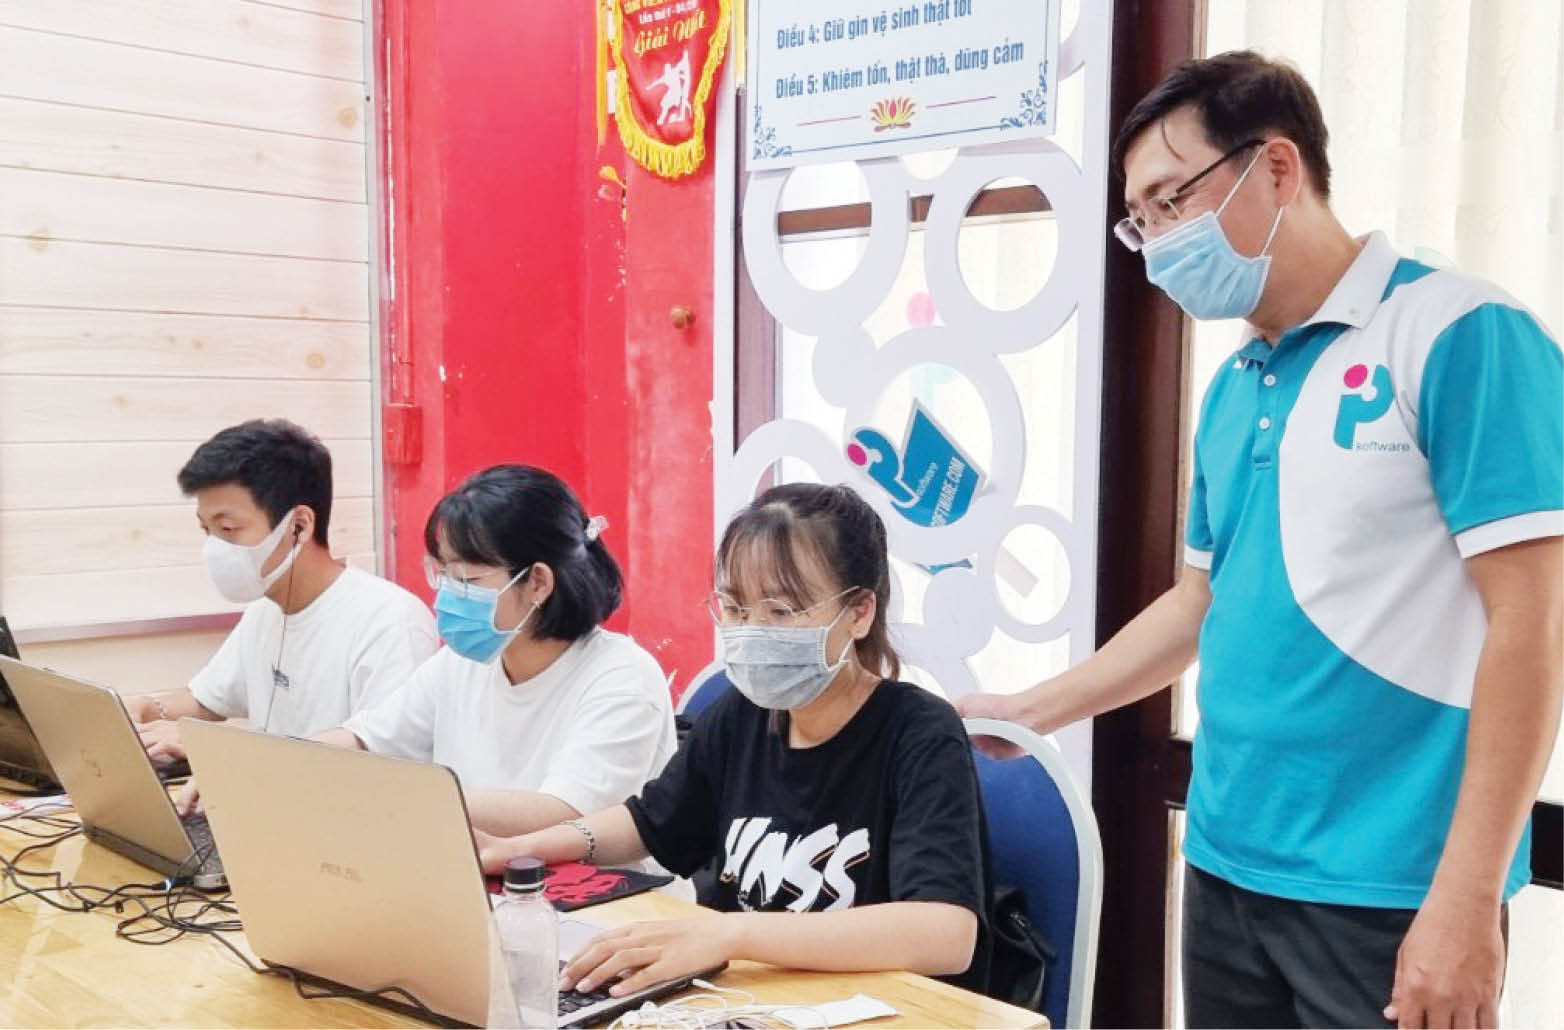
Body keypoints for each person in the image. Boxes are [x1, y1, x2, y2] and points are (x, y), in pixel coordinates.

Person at [961, 51, 1562, 1030]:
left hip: (1390, 887)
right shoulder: (1237, 384)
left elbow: (1533, 625)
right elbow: (1202, 601)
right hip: (1228, 866)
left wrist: (1467, 895)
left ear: (1277, 167)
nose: (1157, 240)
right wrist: (1033, 708)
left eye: (1171, 199)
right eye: (1140, 220)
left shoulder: (1460, 332)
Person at [477, 483, 993, 998]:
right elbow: (650, 823)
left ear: (859, 613)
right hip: (753, 999)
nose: (753, 630)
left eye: (782, 611)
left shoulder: (919, 732)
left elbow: (944, 933)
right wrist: (520, 850)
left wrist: (732, 934)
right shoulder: (743, 715)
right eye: (737, 608)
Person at [313, 465, 677, 838]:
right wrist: (299, 763)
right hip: (478, 867)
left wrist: (408, 799)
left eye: (466, 580)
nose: (447, 595)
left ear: (538, 583)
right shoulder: (460, 664)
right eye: (443, 575)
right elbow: (369, 739)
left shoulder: (623, 677)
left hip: (586, 875)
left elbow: (564, 813)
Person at [129, 420, 437, 766]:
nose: (215, 548)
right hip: (270, 791)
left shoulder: (390, 621)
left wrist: (215, 748)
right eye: (207, 530)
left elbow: (388, 765)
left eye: (228, 528)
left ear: (298, 526)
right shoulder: (267, 607)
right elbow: (208, 699)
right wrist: (146, 708)